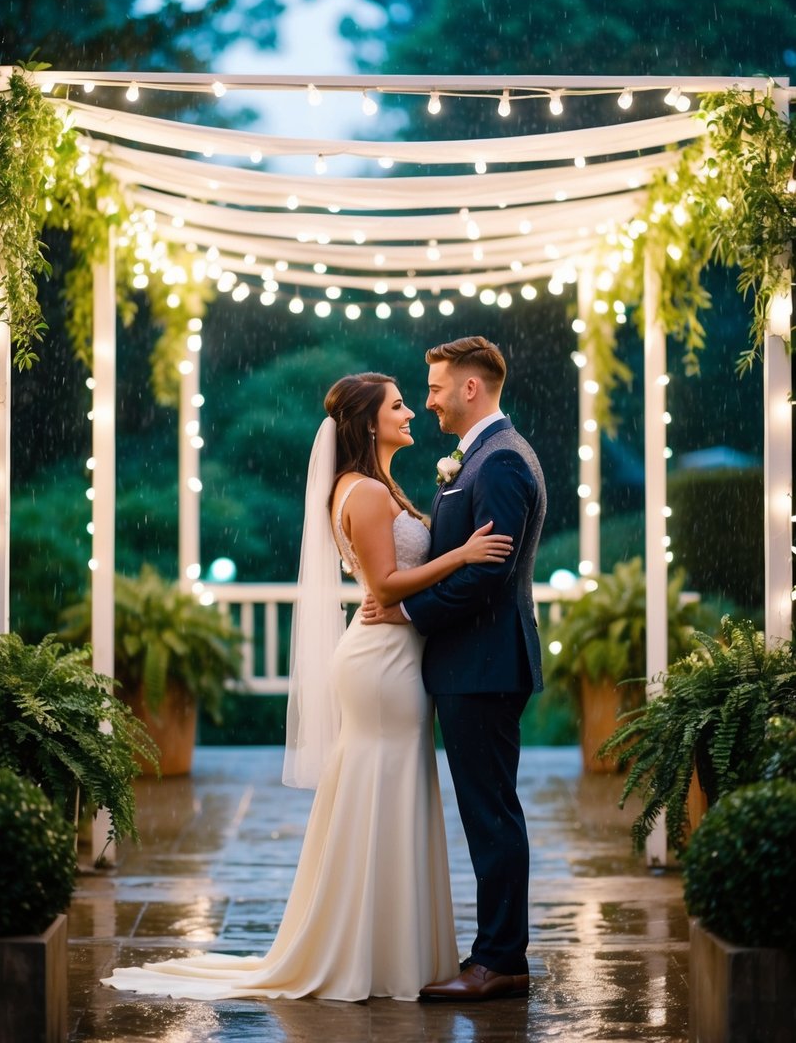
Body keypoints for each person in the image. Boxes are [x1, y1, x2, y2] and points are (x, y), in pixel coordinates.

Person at [103, 371, 513, 1003]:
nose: (411, 413)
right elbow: (383, 588)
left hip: (393, 653)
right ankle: (367, 949)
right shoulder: (367, 494)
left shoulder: (378, 485)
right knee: (384, 787)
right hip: (383, 660)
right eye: (398, 406)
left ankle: (382, 946)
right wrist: (460, 556)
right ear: (368, 422)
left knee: (391, 788)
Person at [362, 337, 547, 1002]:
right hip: (474, 663)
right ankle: (497, 953)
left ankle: (499, 960)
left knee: (490, 816)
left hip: (484, 664)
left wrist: (407, 614)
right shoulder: (478, 457)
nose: (428, 399)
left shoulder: (499, 463)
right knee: (487, 812)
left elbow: (487, 576)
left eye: (436, 387)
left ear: (470, 389)